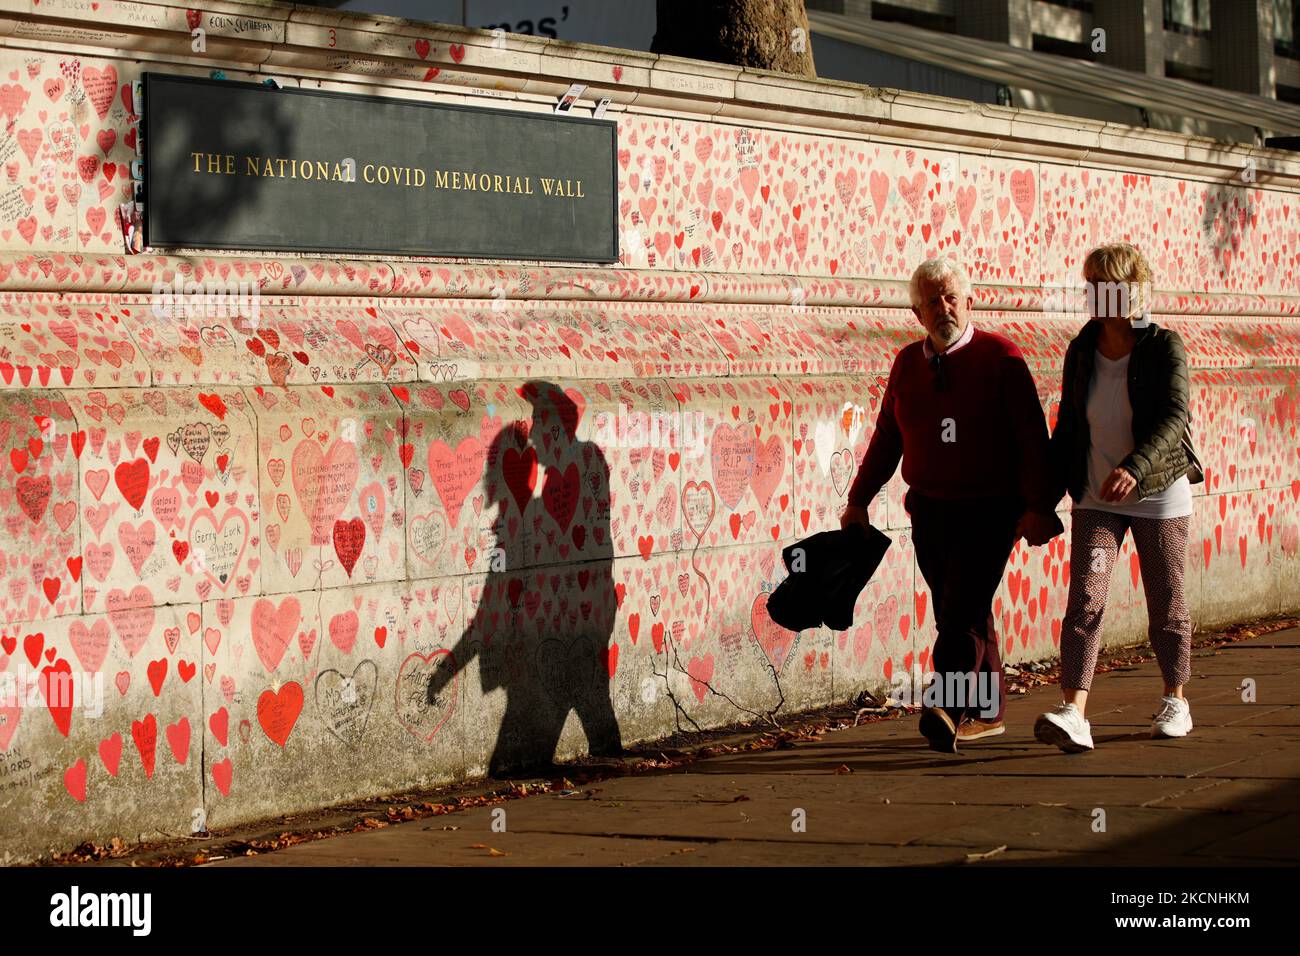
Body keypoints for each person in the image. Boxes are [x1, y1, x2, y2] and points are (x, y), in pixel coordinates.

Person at [842, 259, 1060, 753]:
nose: (944, 308)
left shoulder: (1002, 358)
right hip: (931, 512)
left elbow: (1032, 440)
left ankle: (946, 703)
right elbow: (886, 437)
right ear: (917, 313)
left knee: (960, 612)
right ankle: (988, 712)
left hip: (990, 511)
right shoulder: (905, 365)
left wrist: (1038, 506)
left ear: (969, 302)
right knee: (962, 611)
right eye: (932, 301)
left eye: (951, 298)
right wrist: (858, 500)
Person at [1035, 243, 1203, 752]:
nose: (1099, 294)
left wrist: (1136, 466)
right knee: (1086, 597)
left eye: (1109, 284)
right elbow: (1066, 429)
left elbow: (1176, 418)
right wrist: (1042, 500)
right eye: (1092, 284)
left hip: (1157, 493)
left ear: (1133, 290)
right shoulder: (1080, 350)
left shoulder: (1164, 346)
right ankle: (1075, 710)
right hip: (1095, 495)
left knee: (1166, 600)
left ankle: (1176, 698)